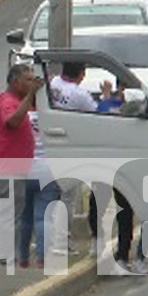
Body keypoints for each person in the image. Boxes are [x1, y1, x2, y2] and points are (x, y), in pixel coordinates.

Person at [50, 62, 112, 257]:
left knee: (52, 197)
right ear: (82, 73)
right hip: (71, 148)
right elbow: (100, 114)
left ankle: (51, 239)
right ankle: (63, 240)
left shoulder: (53, 84)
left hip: (51, 146)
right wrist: (107, 96)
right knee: (68, 198)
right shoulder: (79, 95)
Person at [0, 64, 43, 269]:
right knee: (7, 214)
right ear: (15, 82)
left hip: (17, 167)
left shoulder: (19, 101)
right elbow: (12, 121)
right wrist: (30, 96)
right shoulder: (7, 101)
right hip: (7, 168)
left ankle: (8, 255)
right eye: (27, 80)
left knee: (15, 214)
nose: (31, 84)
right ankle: (3, 257)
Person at [19, 95, 60, 268]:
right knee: (43, 217)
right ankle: (42, 257)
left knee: (24, 217)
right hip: (48, 170)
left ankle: (22, 257)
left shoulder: (20, 117)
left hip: (23, 169)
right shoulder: (51, 117)